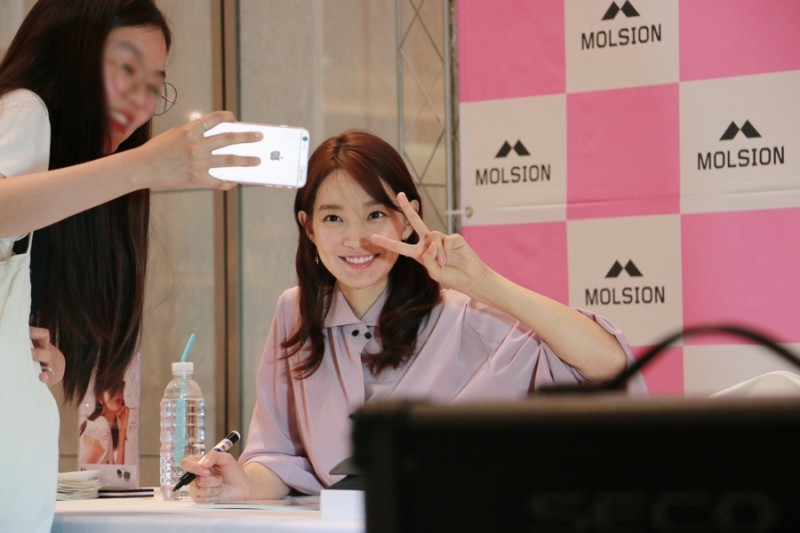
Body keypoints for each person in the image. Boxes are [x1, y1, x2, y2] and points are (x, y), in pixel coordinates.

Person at [181, 130, 648, 503]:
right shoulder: (296, 311)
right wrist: (239, 483)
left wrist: (483, 283)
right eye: (333, 218)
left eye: (375, 215)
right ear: (309, 228)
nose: (357, 239)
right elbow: (279, 457)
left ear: (407, 220)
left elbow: (608, 365)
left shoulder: (467, 315)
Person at [0, 1, 260, 530]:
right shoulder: (26, 108)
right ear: (69, 56)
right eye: (124, 71)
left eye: (153, 85)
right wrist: (143, 164)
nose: (140, 103)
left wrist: (23, 350)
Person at [78, 381, 129, 465]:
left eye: (119, 388)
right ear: (100, 398)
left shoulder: (103, 426)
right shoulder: (102, 429)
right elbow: (80, 470)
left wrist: (122, 431)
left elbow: (117, 471)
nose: (116, 393)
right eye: (111, 389)